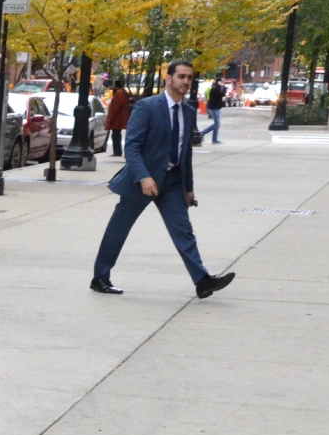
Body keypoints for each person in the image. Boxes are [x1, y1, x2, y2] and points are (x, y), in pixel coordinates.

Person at [92, 58, 235, 300]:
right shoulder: (147, 106)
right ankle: (100, 277)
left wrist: (188, 188)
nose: (185, 81)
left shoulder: (188, 112)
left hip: (172, 182)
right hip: (142, 181)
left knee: (184, 232)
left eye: (189, 77)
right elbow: (133, 147)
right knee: (119, 229)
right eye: (181, 76)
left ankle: (202, 281)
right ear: (168, 79)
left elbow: (185, 152)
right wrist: (144, 177)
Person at [104, 79, 131, 156]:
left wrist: (111, 118)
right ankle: (117, 151)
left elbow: (116, 107)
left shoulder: (119, 93)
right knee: (116, 134)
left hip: (117, 118)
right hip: (119, 117)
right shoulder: (122, 92)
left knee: (115, 135)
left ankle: (117, 151)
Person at [204, 77, 225, 144]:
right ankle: (203, 133)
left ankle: (214, 139)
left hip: (215, 107)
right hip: (214, 108)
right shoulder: (215, 88)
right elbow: (222, 94)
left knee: (217, 124)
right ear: (218, 81)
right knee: (217, 124)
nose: (223, 83)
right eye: (222, 81)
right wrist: (224, 88)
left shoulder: (216, 88)